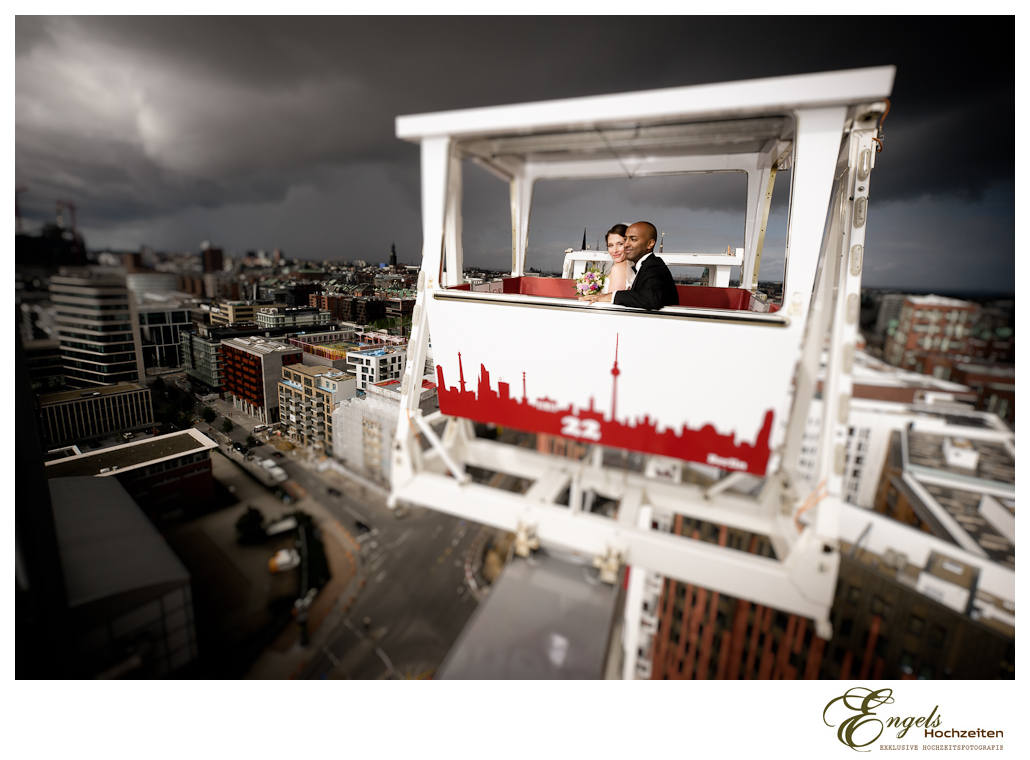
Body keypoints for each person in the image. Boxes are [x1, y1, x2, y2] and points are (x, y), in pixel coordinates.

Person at [583, 221, 678, 310]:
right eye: (626, 240)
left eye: (633, 239)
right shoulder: (643, 266)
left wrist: (609, 296)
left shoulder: (654, 266)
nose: (626, 244)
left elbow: (651, 299)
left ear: (650, 244)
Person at [601, 223, 631, 294]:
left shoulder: (618, 269)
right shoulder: (628, 266)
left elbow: (613, 302)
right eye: (610, 245)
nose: (615, 250)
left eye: (620, 244)